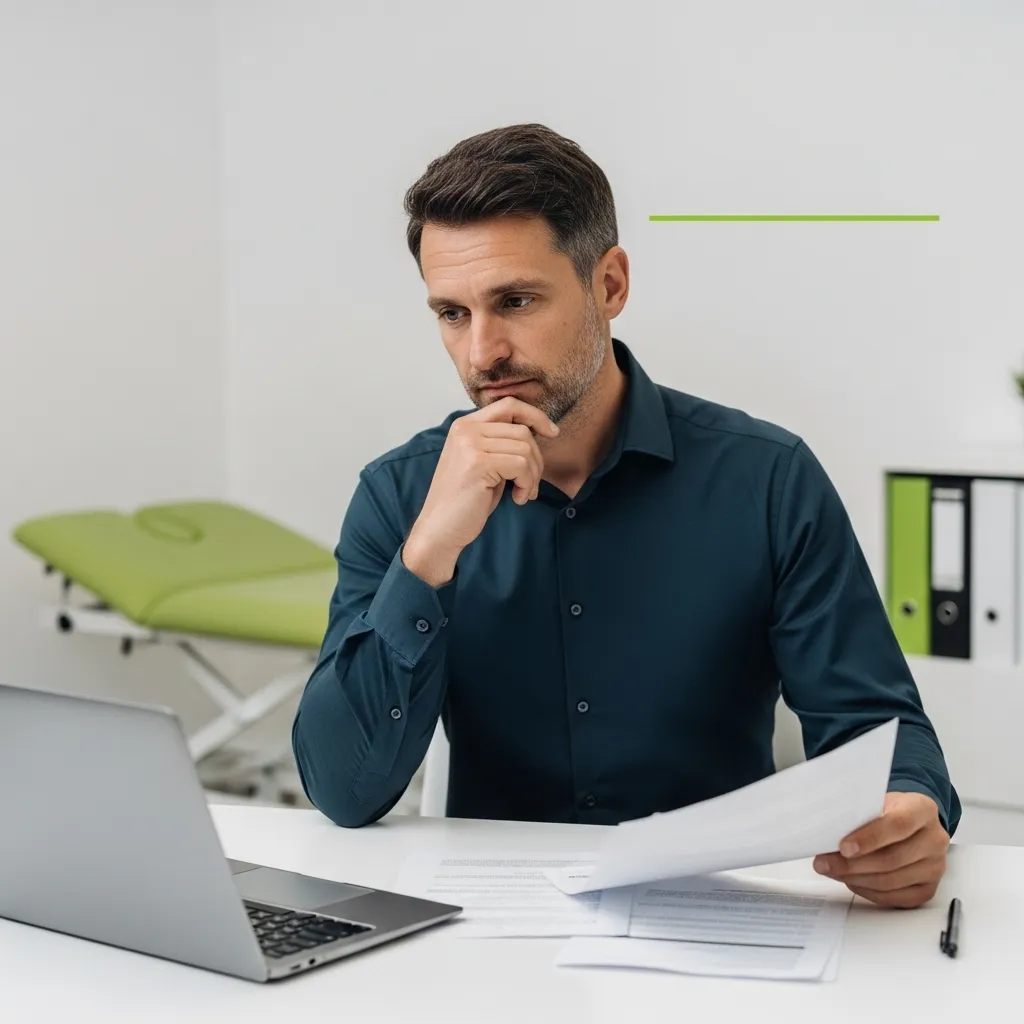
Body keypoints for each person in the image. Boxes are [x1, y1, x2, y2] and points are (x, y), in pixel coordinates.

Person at [293, 123, 958, 909]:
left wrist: (908, 808)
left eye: (515, 301)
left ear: (609, 285)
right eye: (452, 313)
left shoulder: (767, 479)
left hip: (721, 911)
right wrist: (428, 553)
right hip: (491, 931)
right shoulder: (400, 497)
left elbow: (875, 724)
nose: (482, 354)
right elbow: (343, 788)